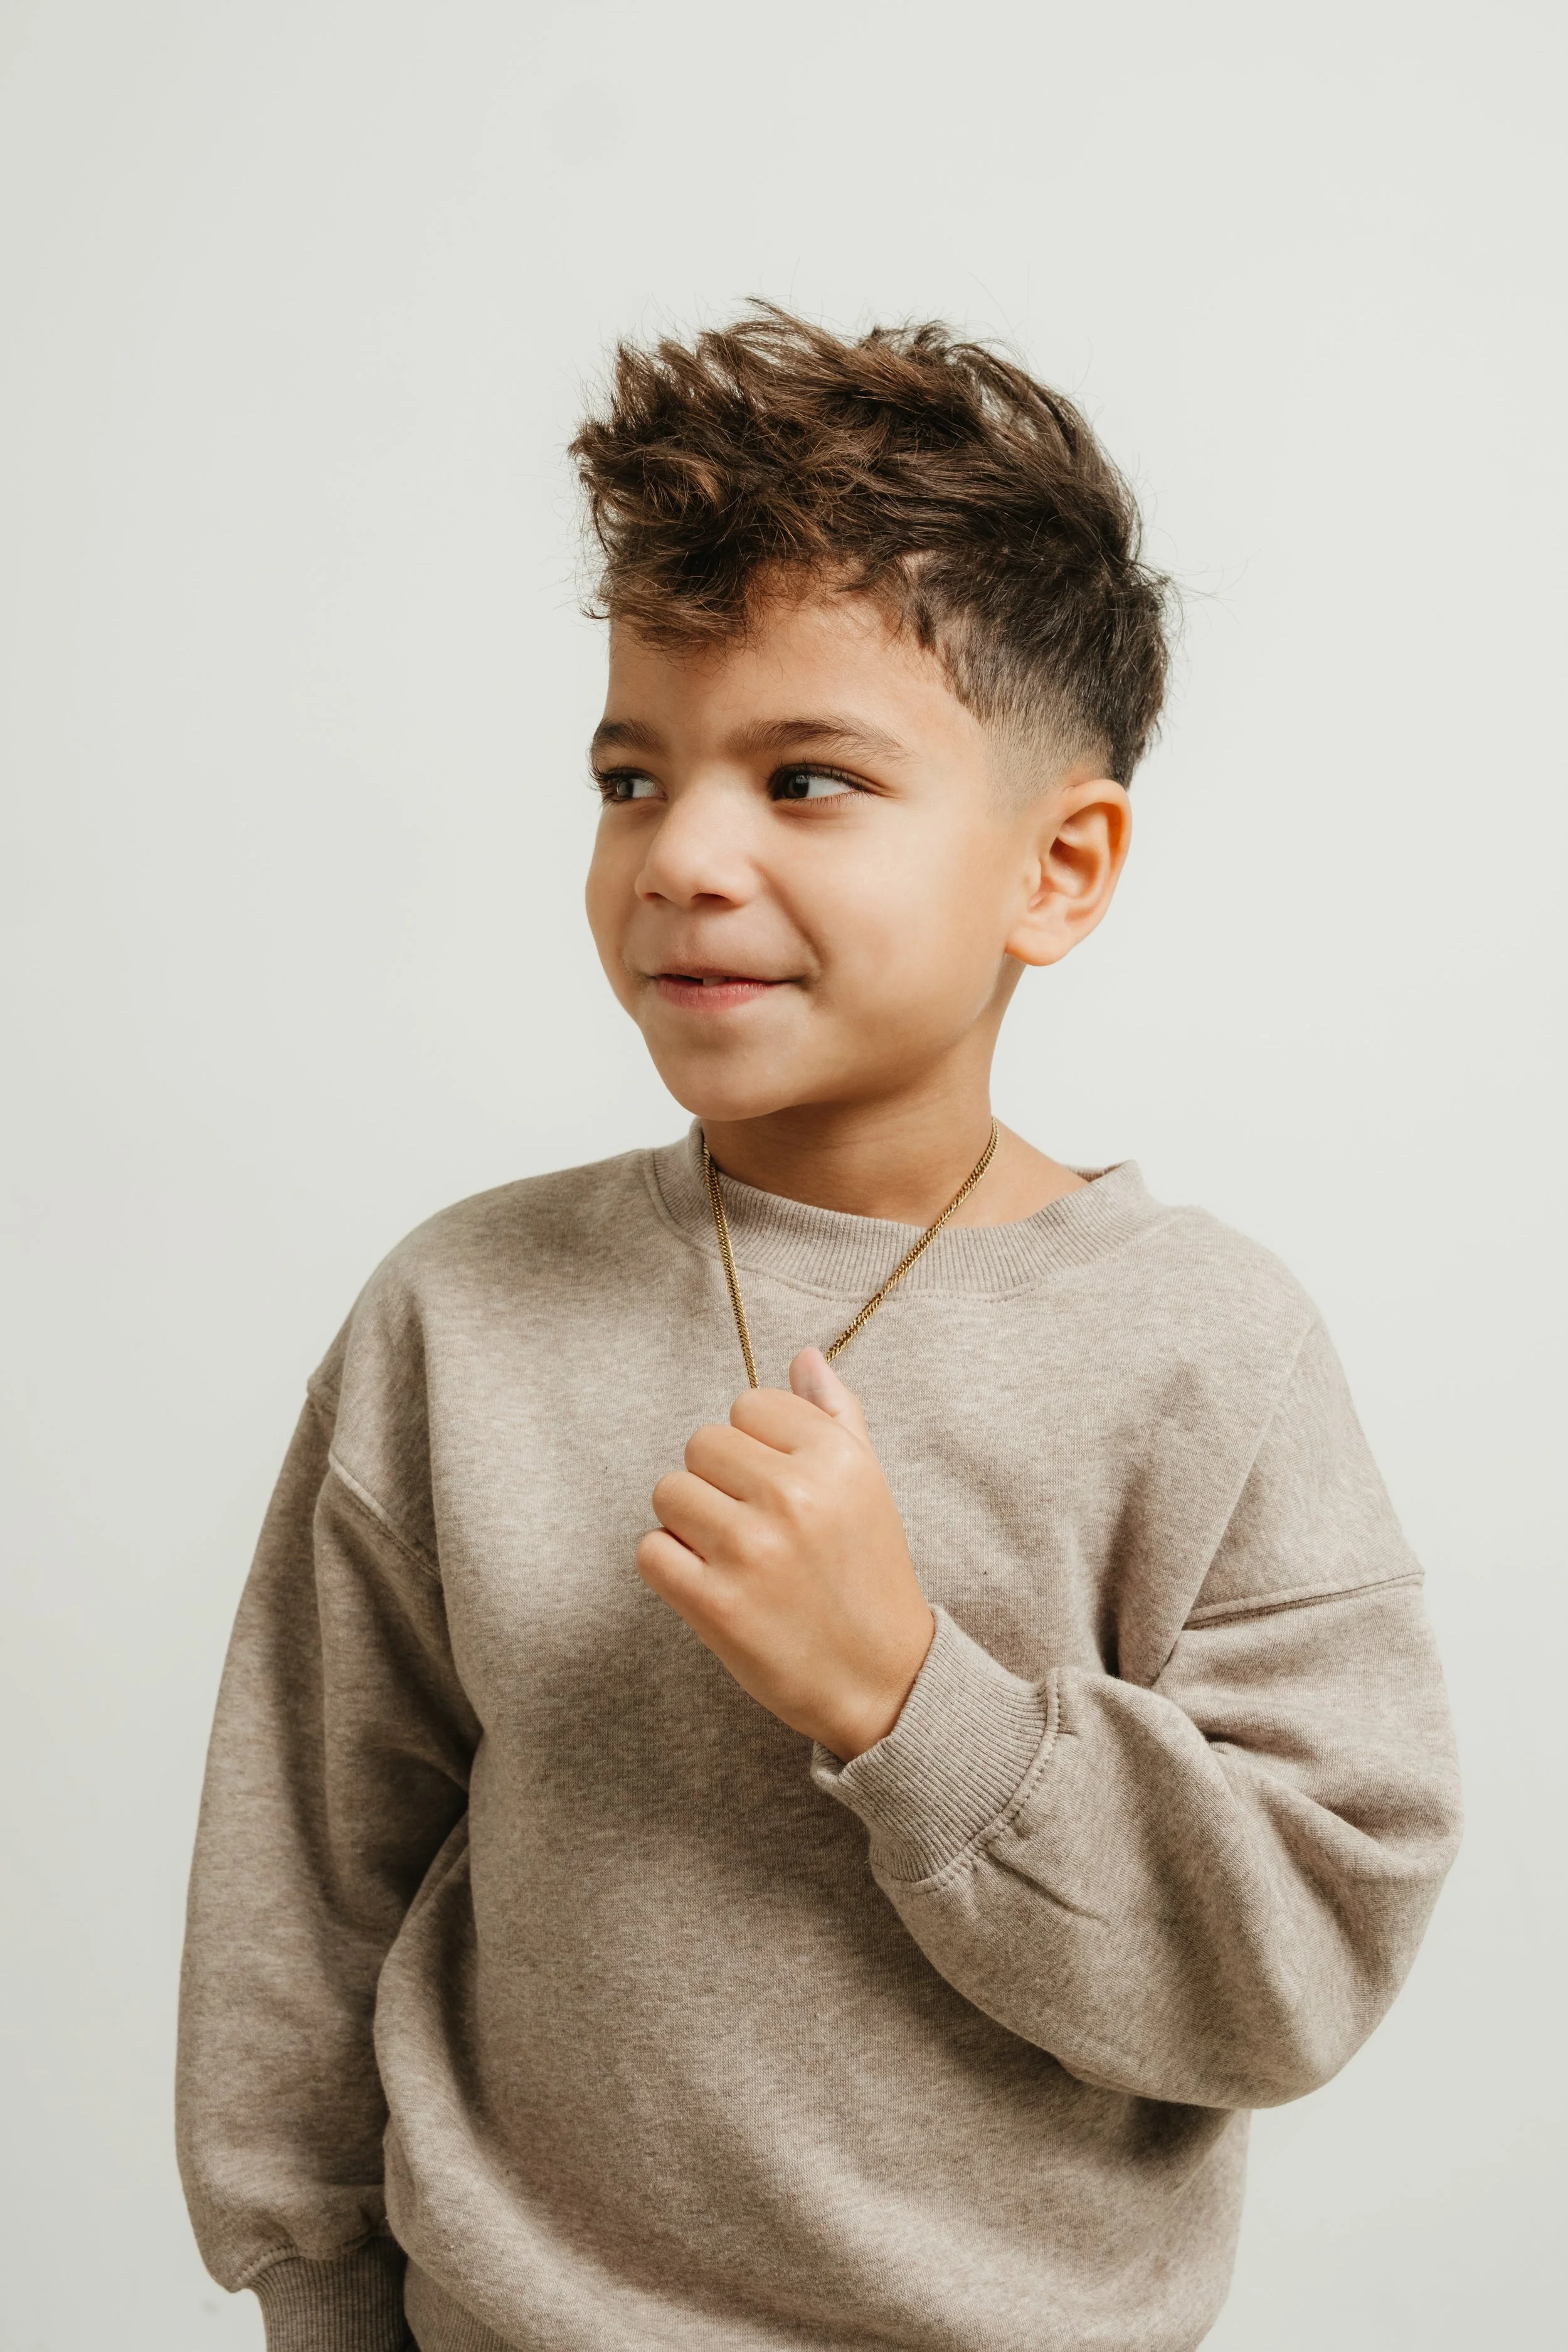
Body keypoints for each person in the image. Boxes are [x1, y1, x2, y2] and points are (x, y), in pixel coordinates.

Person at [176, 306, 1461, 2352]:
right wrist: (322, 2299)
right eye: (630, 773)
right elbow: (310, 1877)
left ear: (1057, 864)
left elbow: (1299, 1958)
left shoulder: (1200, 1343)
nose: (681, 857)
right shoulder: (462, 1308)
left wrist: (903, 1692)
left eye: (804, 775)